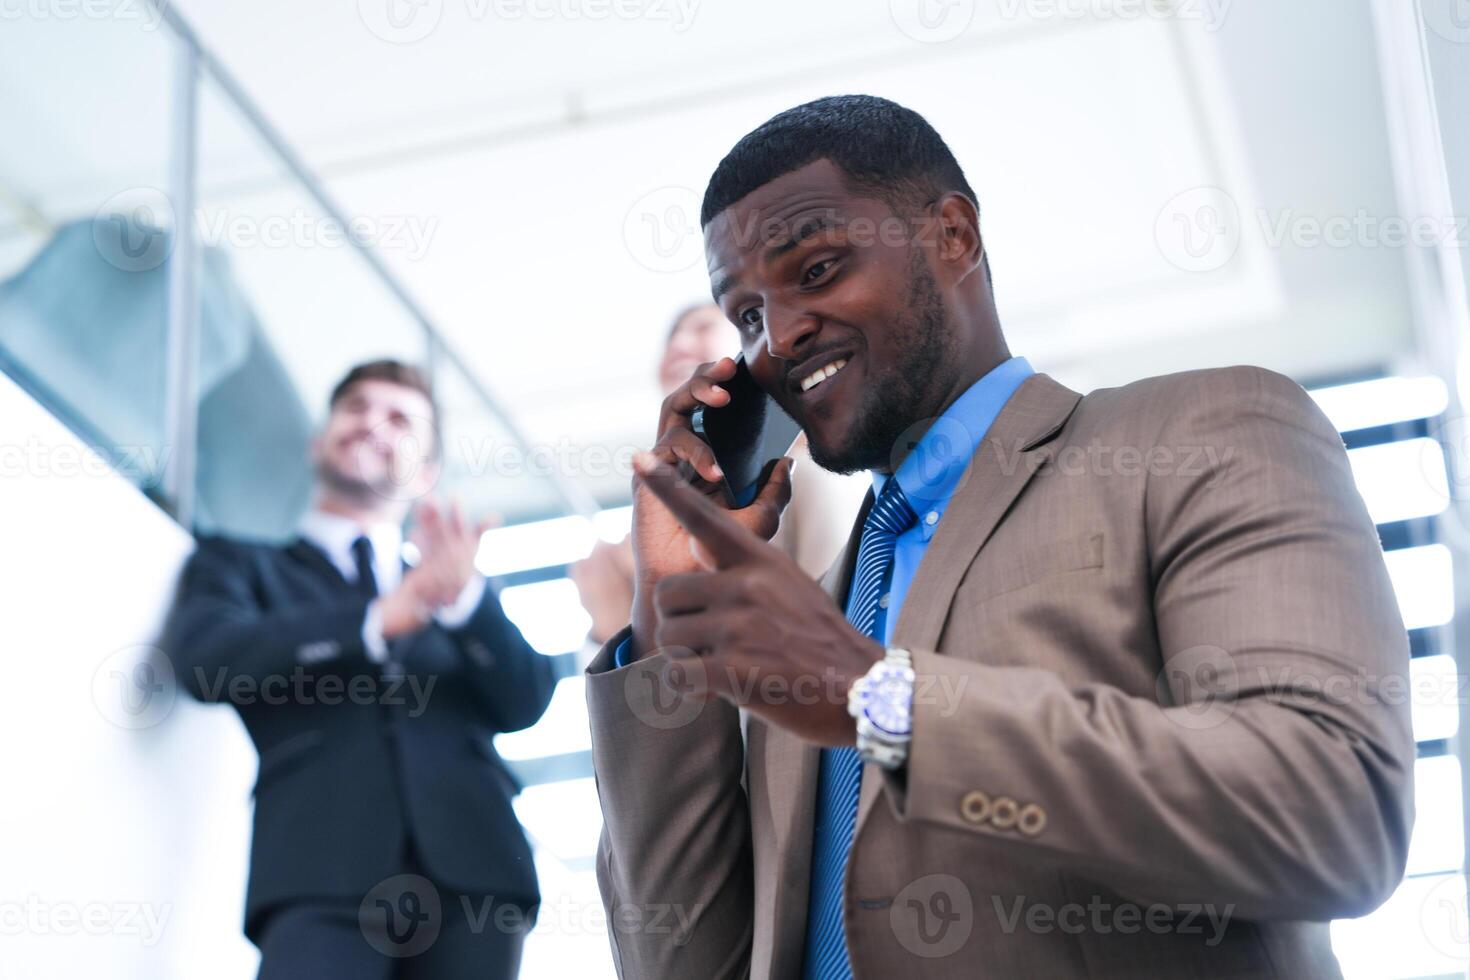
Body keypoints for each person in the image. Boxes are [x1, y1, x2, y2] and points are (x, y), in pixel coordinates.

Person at [585, 95, 1414, 978]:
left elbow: (1334, 812)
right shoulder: (816, 615)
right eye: (746, 315)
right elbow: (681, 966)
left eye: (818, 270)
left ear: (954, 237)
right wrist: (665, 619)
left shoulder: (1196, 435)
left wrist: (883, 703)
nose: (778, 338)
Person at [163, 359, 556, 979]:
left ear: (425, 474)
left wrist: (463, 601)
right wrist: (372, 622)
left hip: (475, 876)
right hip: (316, 868)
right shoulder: (237, 563)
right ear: (319, 440)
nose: (372, 422)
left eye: (399, 418)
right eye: (355, 407)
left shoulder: (455, 588)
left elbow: (525, 700)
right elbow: (205, 659)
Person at [570, 302, 866, 644]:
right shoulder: (658, 519)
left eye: (701, 328)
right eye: (671, 340)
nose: (678, 345)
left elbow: (838, 636)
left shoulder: (811, 475)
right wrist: (624, 617)